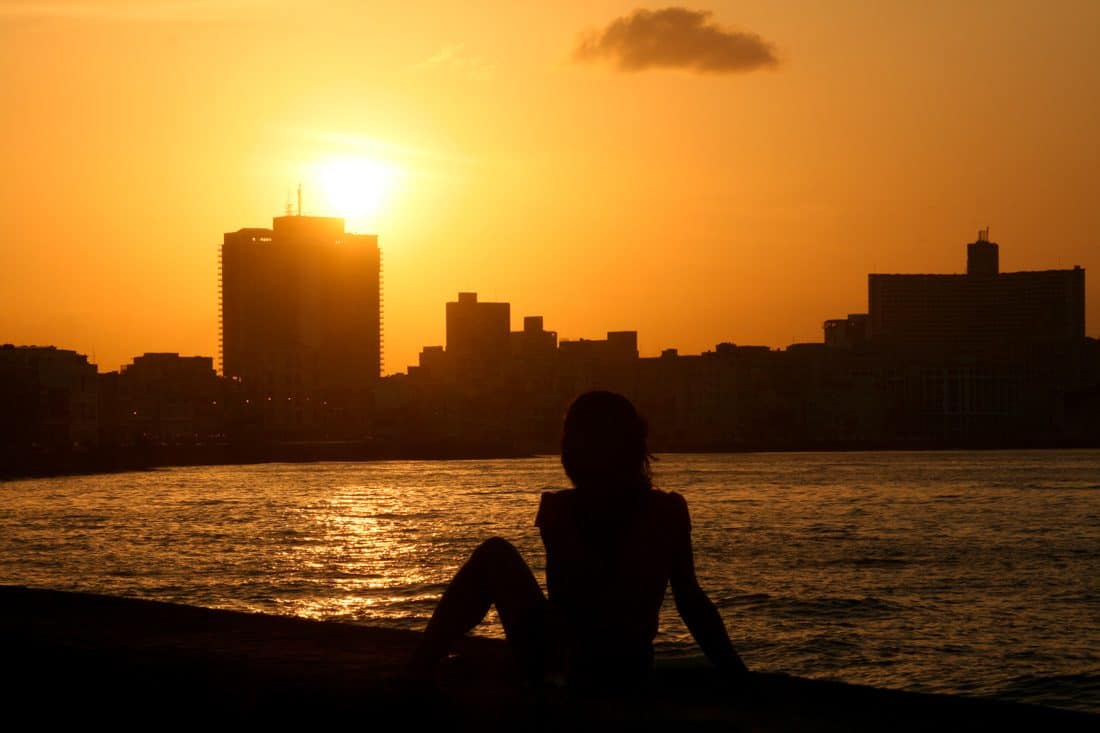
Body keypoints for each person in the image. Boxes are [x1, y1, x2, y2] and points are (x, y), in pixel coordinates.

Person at [409, 390, 748, 690]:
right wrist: (737, 674)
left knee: (494, 555)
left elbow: (567, 605)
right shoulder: (667, 510)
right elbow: (691, 601)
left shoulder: (559, 509)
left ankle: (420, 668)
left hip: (564, 667)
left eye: (571, 437)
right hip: (629, 669)